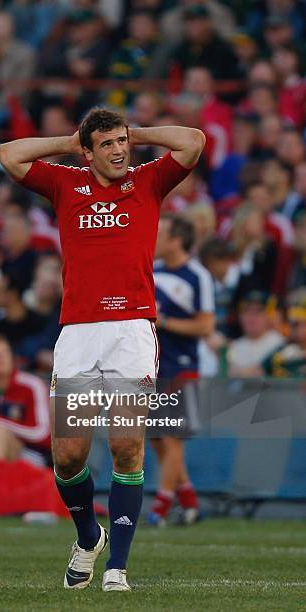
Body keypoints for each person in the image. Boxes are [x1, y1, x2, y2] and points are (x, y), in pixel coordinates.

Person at [0, 107, 205, 591]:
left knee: (126, 445)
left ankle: (118, 567)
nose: (117, 150)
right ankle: (89, 536)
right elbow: (8, 154)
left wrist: (138, 133)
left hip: (131, 330)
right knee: (68, 456)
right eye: (106, 144)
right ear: (88, 151)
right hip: (78, 332)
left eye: (121, 142)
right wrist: (69, 144)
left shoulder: (149, 181)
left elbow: (192, 141)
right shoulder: (66, 184)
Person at [148, 215, 215, 526]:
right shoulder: (154, 270)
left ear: (176, 239)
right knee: (158, 437)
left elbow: (206, 325)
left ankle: (160, 507)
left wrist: (167, 324)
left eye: (161, 234)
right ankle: (188, 501)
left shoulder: (197, 275)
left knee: (172, 436)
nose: (156, 238)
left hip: (182, 365)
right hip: (154, 362)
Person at [0, 334, 51, 467]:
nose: (1, 358)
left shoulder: (32, 385)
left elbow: (41, 433)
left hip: (31, 454)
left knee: (0, 433)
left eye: (5, 352)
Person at [227, 291, 284, 377]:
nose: (251, 316)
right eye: (246, 310)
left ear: (269, 315)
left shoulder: (280, 343)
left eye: (258, 310)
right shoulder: (233, 346)